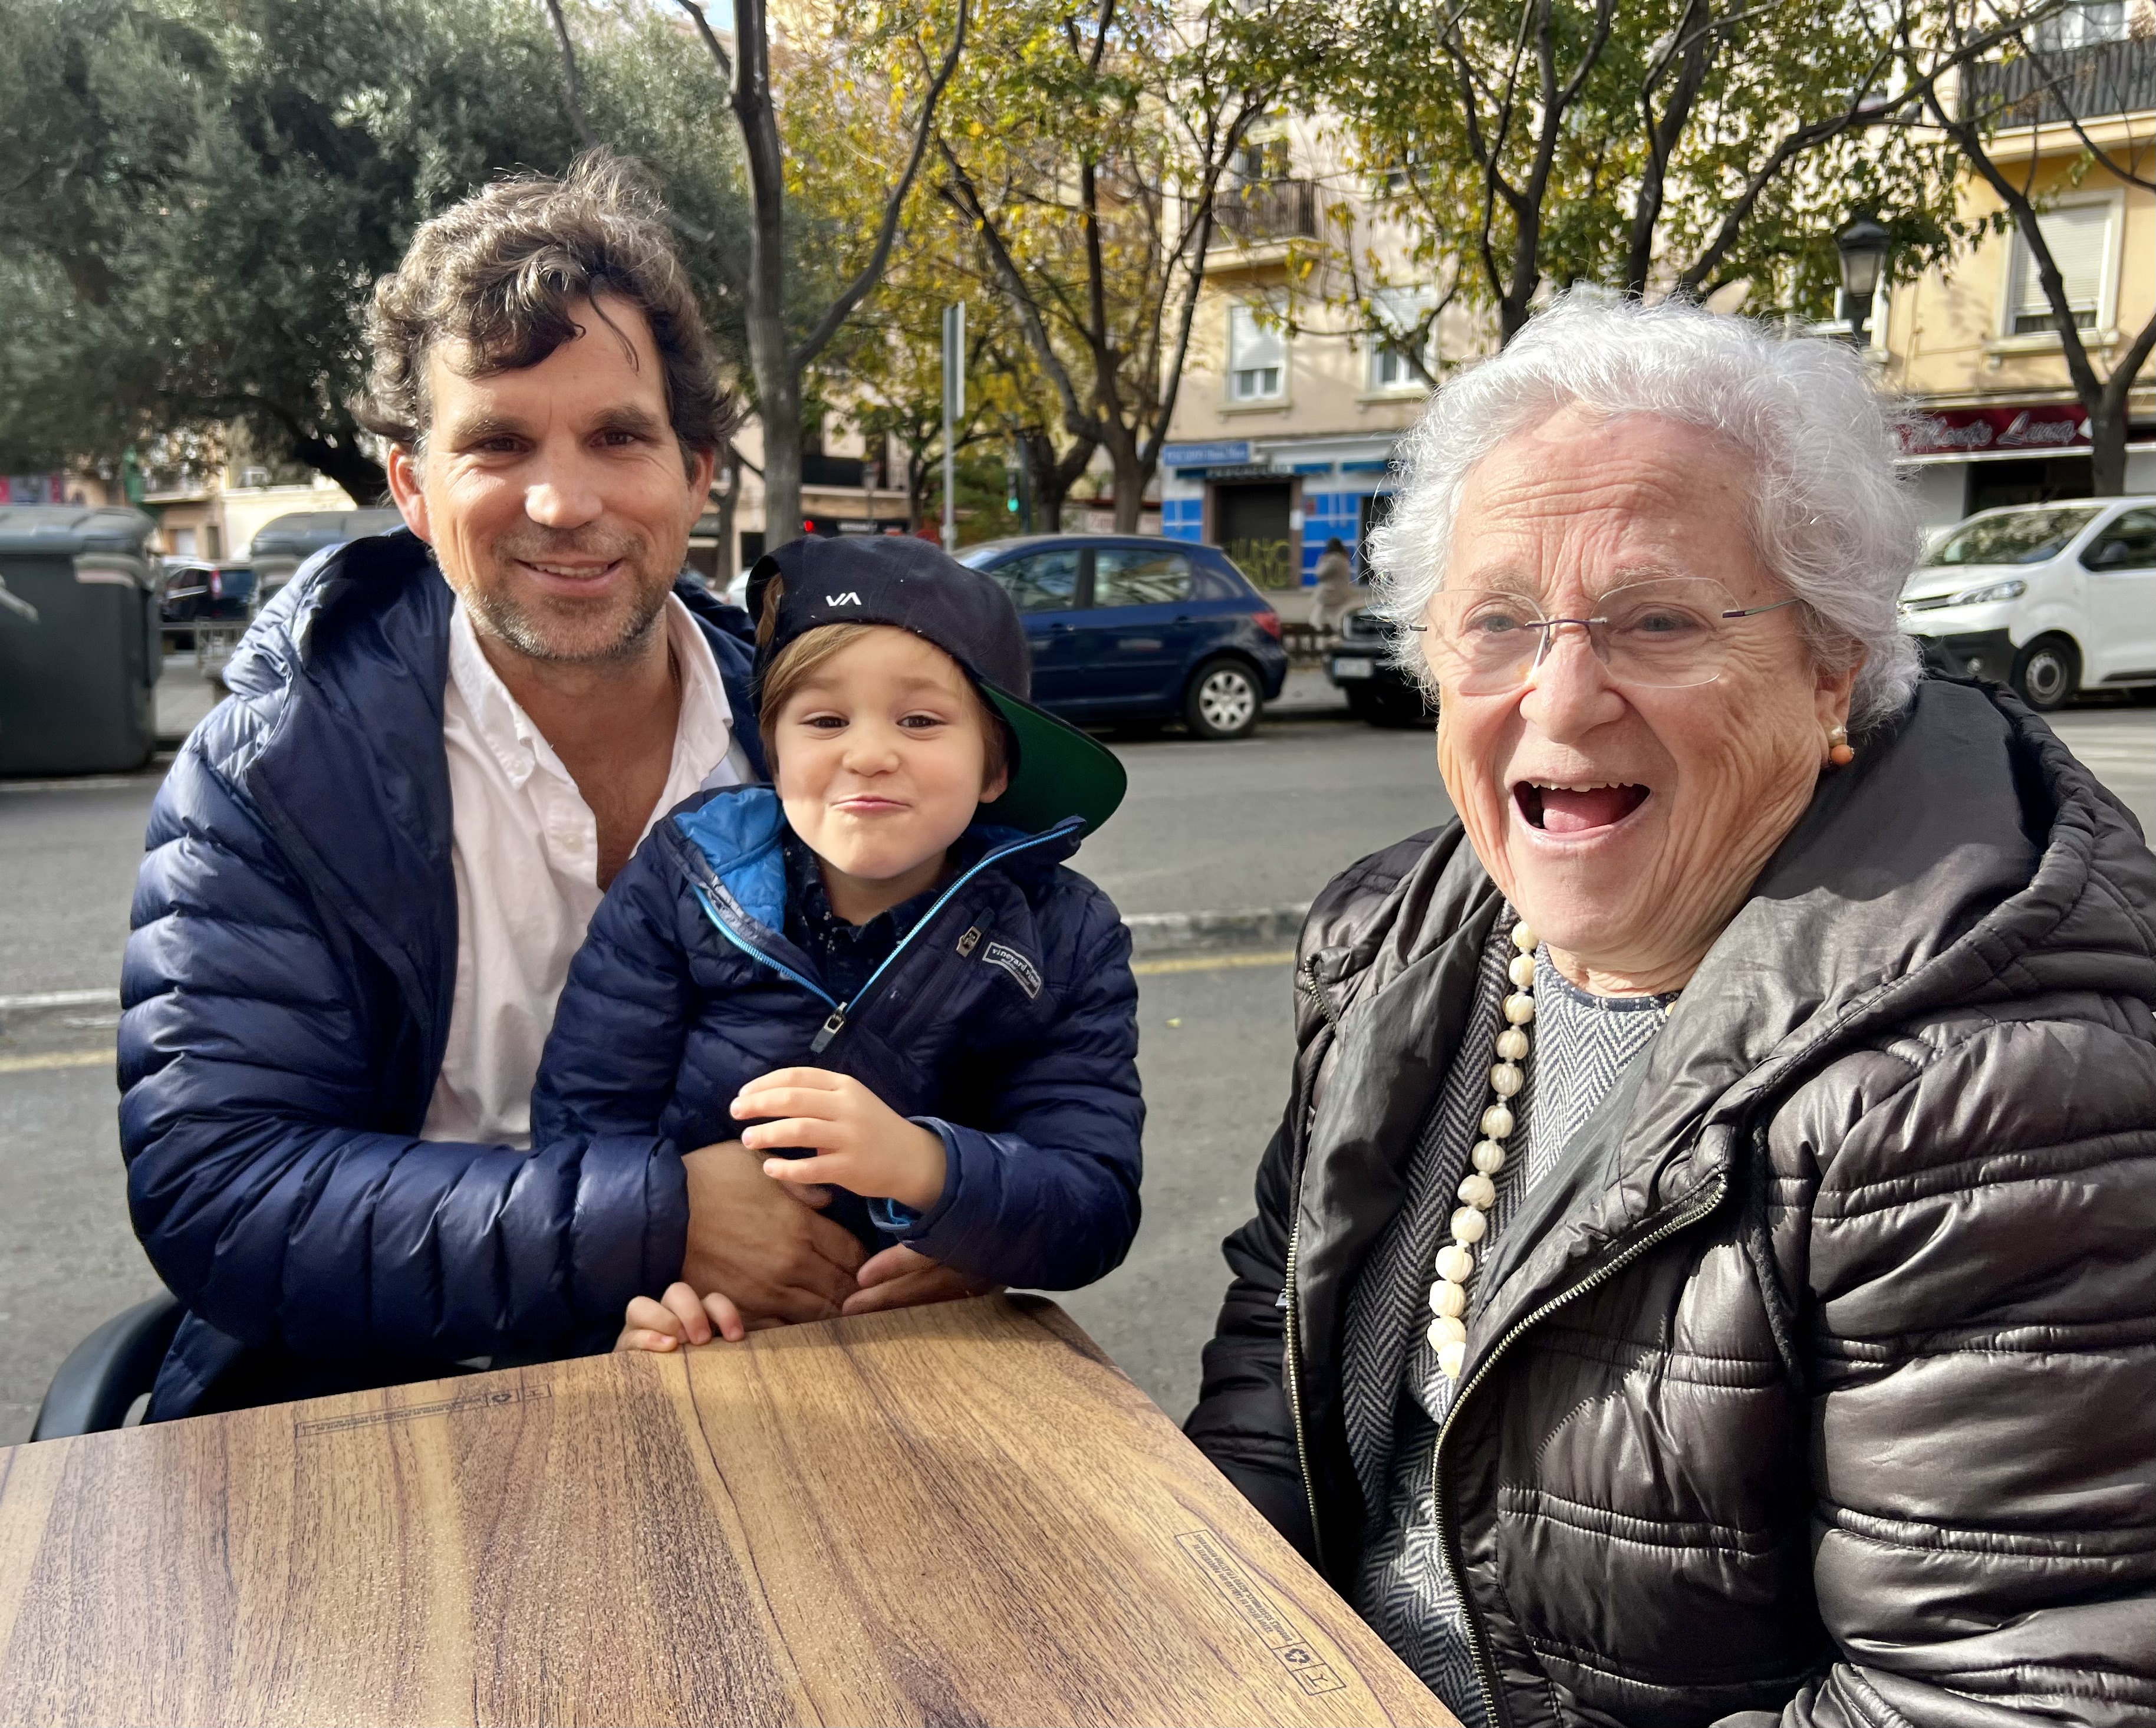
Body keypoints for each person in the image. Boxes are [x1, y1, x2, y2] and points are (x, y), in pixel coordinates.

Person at [1185, 291, 2156, 1726]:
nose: (1560, 700)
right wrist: (1182, 1629)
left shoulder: (1997, 1084)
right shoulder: (1391, 939)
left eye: (1654, 619)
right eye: (1497, 621)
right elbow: (1274, 1366)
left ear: (1832, 662)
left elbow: (1994, 1694)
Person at [117, 156, 973, 1419]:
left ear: (696, 473)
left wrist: (967, 1198)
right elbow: (223, 1188)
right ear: (412, 487)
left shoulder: (830, 735)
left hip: (779, 1384)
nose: (564, 503)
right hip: (389, 1405)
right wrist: (658, 1221)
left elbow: (998, 1033)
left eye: (617, 436)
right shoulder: (279, 774)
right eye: (498, 443)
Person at [519, 535, 1143, 1352]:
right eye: (823, 718)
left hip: (925, 1346)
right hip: (711, 1328)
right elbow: (582, 1129)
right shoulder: (682, 877)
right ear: (774, 749)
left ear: (995, 765)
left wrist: (929, 1171)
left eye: (921, 719)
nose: (870, 752)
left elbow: (1092, 1204)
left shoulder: (1063, 934)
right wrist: (650, 1261)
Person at [1309, 535, 1358, 635]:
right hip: (1340, 593)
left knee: (1316, 619)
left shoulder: (1332, 559)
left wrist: (1322, 561)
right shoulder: (1343, 559)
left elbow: (1320, 574)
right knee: (1335, 618)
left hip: (1329, 594)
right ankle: (1336, 635)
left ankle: (1323, 635)